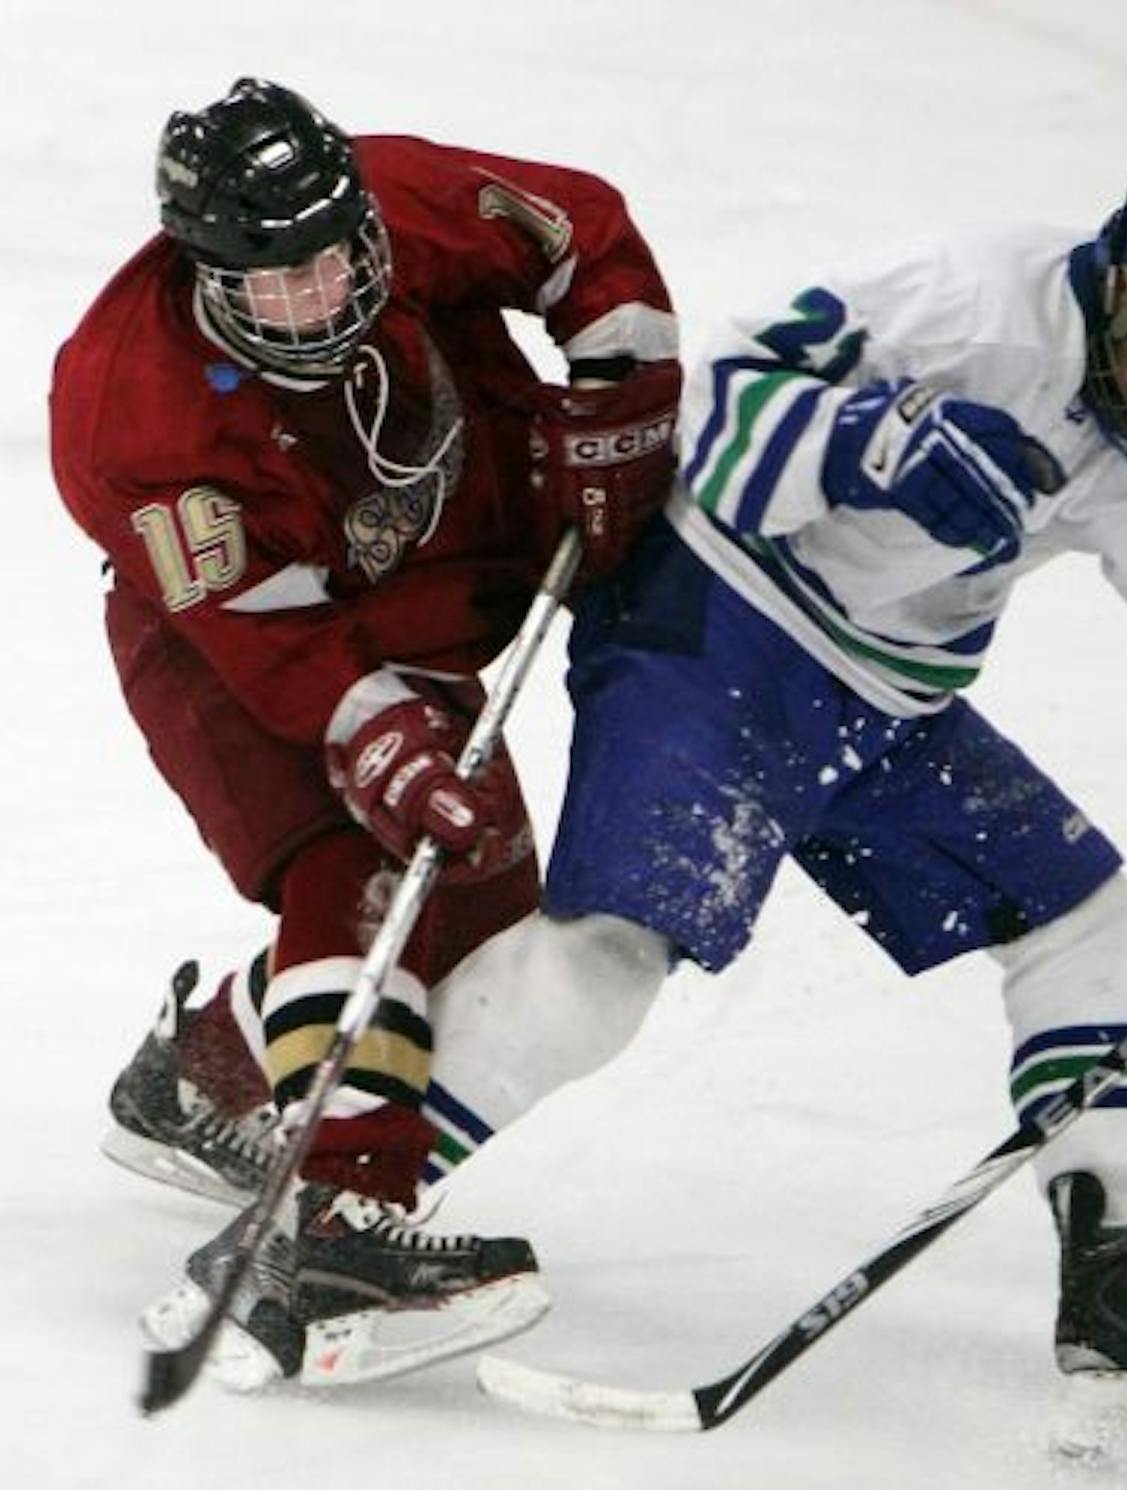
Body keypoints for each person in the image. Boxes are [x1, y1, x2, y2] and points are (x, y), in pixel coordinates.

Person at [418, 157, 1127, 1438]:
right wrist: (867, 446)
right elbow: (719, 411)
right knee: (611, 956)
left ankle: (1119, 1278)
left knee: (1090, 926)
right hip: (713, 616)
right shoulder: (969, 299)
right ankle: (340, 1206)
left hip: (885, 698)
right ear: (1119, 277)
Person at [49, 77, 680, 1389]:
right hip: (228, 643)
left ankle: (205, 1072)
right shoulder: (134, 410)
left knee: (485, 906)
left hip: (428, 606)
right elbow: (275, 640)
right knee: (363, 853)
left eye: (334, 264)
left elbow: (581, 231)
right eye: (273, 287)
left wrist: (624, 393)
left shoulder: (408, 194)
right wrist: (376, 738)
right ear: (204, 269)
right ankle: (339, 1227)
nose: (317, 302)